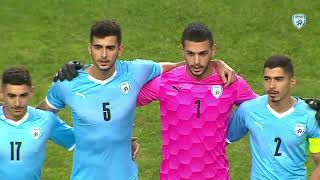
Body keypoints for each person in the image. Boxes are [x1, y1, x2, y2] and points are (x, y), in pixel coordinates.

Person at [36, 20, 235, 180]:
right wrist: (72, 138)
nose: (104, 55)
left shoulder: (136, 71)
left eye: (110, 48)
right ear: (89, 48)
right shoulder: (68, 83)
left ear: (120, 49)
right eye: (98, 47)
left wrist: (217, 64)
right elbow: (38, 117)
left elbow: (178, 66)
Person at [136, 22, 257, 179]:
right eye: (190, 54)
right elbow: (124, 100)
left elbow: (261, 110)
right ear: (182, 51)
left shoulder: (230, 83)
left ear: (213, 50)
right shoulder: (166, 82)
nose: (196, 61)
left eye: (203, 54)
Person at [227, 55, 320, 180]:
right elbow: (221, 141)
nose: (271, 86)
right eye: (267, 79)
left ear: (292, 81)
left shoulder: (309, 116)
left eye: (278, 79)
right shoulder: (248, 110)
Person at [0, 66, 75, 180]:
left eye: (23, 95)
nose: (17, 103)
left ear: (31, 92)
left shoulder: (46, 120)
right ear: (1, 94)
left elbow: (82, 141)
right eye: (11, 96)